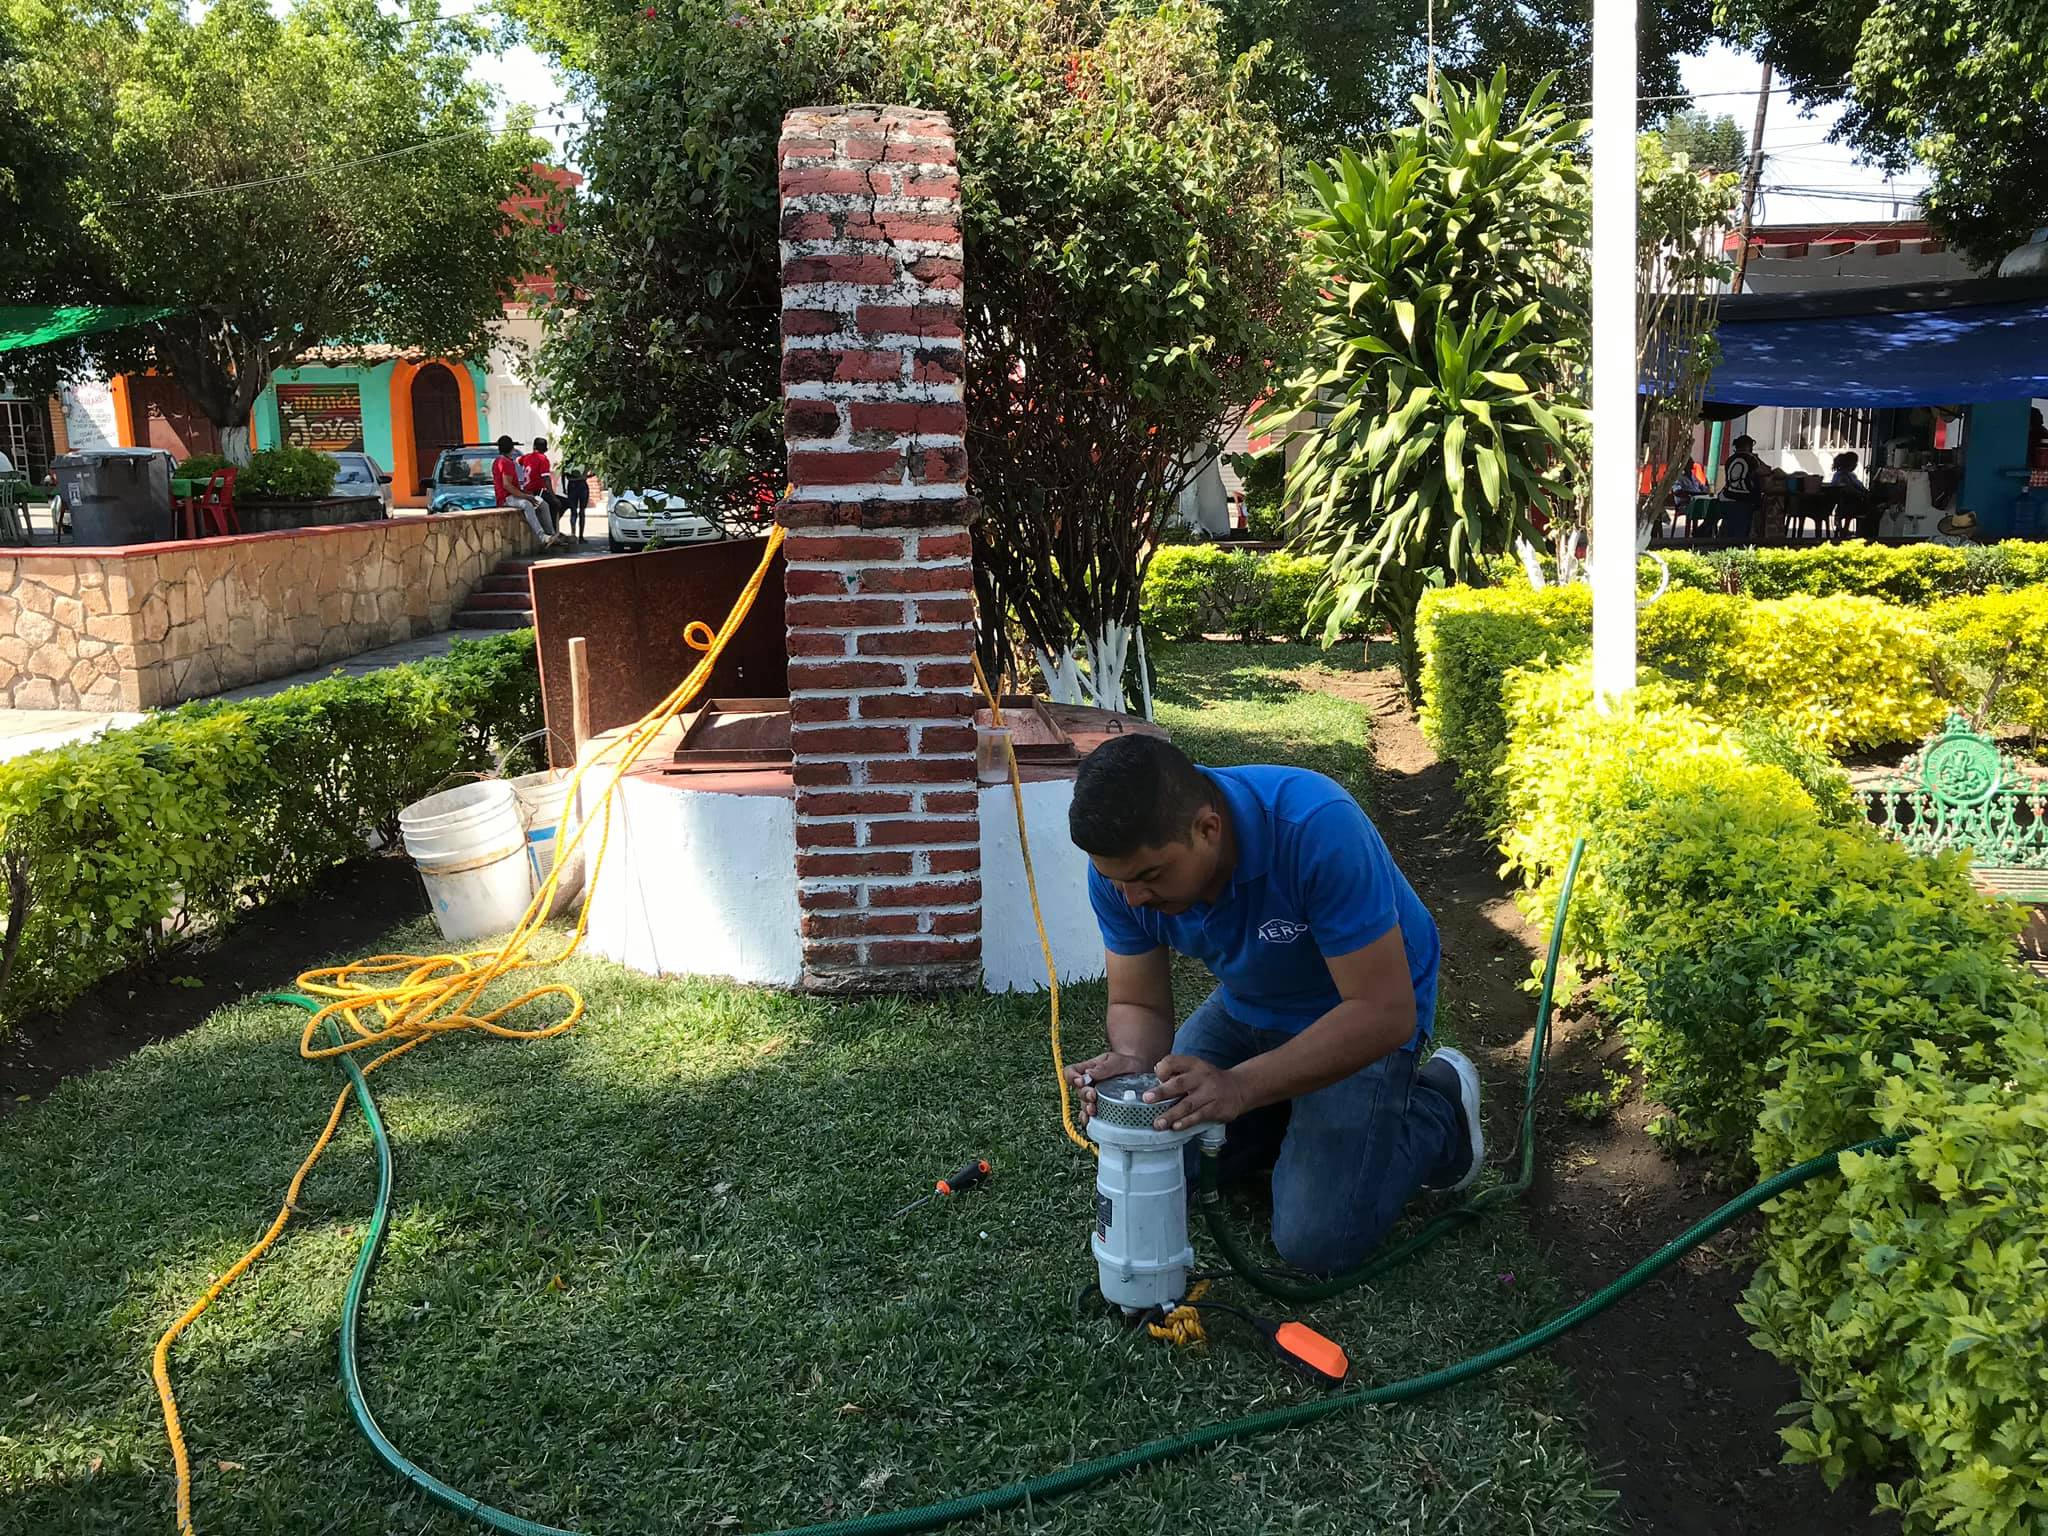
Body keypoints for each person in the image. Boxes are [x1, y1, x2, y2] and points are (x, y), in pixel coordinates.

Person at [1062, 734, 1482, 1276]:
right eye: (1118, 881)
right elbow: (1137, 1003)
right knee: (1164, 1155)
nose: (1134, 899)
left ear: (1208, 829)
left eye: (1149, 877)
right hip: (1250, 999)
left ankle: (1439, 1109)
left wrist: (1240, 1087)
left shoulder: (1315, 827)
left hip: (1357, 1006)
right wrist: (1131, 1060)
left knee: (1314, 1242)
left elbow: (1383, 1012)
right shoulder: (1123, 872)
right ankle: (1292, 1118)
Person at [492, 435, 556, 547]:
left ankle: (551, 535)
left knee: (542, 503)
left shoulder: (499, 461)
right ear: (512, 448)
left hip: (512, 495)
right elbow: (507, 485)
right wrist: (525, 496)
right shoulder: (506, 463)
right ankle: (542, 536)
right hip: (506, 498)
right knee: (527, 504)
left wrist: (525, 493)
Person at [1719, 434, 1765, 541]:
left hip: (1727, 497)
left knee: (1730, 530)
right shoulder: (1752, 460)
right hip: (1746, 499)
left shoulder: (1729, 460)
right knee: (1742, 534)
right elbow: (1760, 475)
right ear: (1748, 446)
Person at [519, 437, 565, 534]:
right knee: (558, 503)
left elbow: (518, 460)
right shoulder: (543, 459)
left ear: (534, 447)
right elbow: (546, 480)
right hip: (537, 491)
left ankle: (553, 530)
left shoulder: (526, 457)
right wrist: (553, 496)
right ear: (545, 449)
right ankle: (552, 531)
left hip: (526, 490)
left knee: (555, 502)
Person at [562, 461, 591, 543]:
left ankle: (575, 536)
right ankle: (578, 536)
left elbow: (563, 474)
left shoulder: (568, 460)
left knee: (575, 511)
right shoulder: (583, 458)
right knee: (580, 512)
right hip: (580, 484)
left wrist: (564, 487)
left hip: (573, 485)